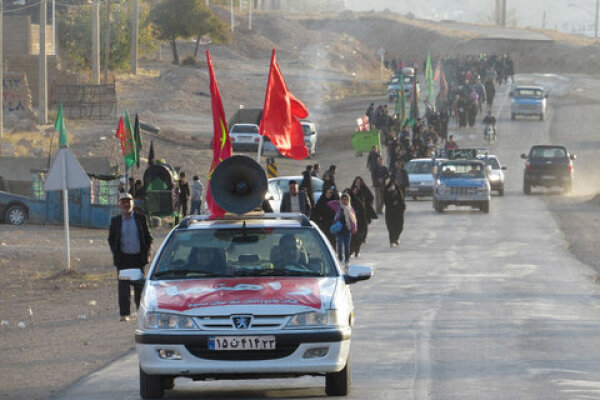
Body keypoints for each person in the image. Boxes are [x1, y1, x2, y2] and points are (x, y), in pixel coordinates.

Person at [108, 192, 153, 321]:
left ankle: (140, 312)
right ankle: (125, 314)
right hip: (123, 259)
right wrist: (116, 253)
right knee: (123, 288)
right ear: (120, 205)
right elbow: (111, 239)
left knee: (140, 287)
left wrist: (147, 254)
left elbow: (148, 238)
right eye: (123, 202)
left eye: (129, 201)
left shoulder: (140, 219)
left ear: (132, 203)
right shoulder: (115, 221)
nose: (126, 204)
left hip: (138, 259)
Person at [328, 193, 357, 268]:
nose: (345, 201)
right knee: (340, 244)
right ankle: (340, 259)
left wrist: (354, 228)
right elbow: (329, 203)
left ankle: (347, 261)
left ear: (349, 200)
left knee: (347, 246)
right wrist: (338, 201)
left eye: (346, 200)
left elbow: (353, 220)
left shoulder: (350, 209)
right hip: (340, 230)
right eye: (343, 199)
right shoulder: (338, 208)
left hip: (347, 230)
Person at [384, 180, 406, 247]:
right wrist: (391, 202)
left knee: (399, 226)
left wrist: (397, 202)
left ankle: (396, 237)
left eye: (393, 185)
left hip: (398, 211)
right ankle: (392, 240)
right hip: (390, 211)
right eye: (391, 185)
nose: (392, 186)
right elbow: (385, 200)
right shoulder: (387, 191)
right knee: (391, 227)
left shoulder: (399, 190)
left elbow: (401, 199)